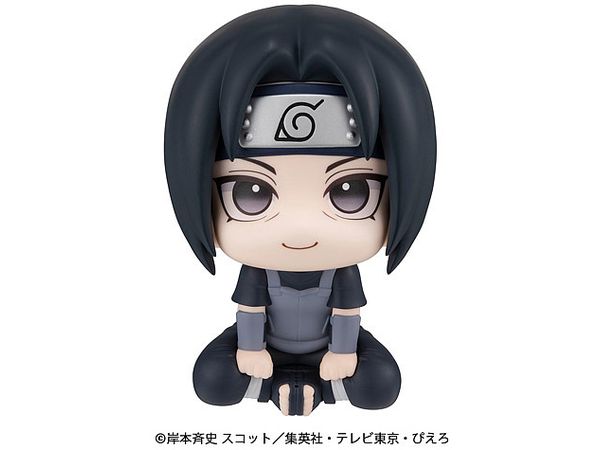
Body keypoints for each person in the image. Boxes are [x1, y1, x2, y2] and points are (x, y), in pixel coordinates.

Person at [164, 5, 436, 415]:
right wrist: (250, 349)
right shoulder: (258, 269)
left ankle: (299, 388)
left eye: (350, 191)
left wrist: (343, 354)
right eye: (251, 192)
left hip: (328, 349)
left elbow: (346, 315)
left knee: (380, 384)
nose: (301, 224)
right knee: (212, 380)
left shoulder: (341, 271)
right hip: (265, 347)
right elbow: (250, 313)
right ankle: (289, 387)